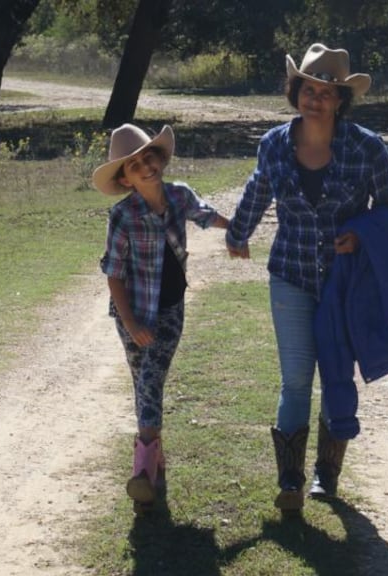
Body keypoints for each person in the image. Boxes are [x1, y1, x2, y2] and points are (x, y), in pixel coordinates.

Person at [225, 43, 388, 515]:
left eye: (327, 92)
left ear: (341, 100)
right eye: (309, 89)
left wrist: (361, 237)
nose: (316, 99)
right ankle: (290, 482)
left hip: (346, 282)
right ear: (296, 91)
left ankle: (327, 476)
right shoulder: (274, 144)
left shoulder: (368, 147)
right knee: (295, 380)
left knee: (337, 375)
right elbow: (258, 188)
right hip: (291, 275)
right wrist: (238, 232)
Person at [95, 123, 229, 514]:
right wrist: (132, 323)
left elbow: (206, 215)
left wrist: (235, 230)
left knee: (151, 379)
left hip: (170, 310)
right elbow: (113, 273)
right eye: (135, 165)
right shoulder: (122, 215)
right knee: (143, 383)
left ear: (160, 158)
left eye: (149, 157)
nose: (146, 167)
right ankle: (155, 466)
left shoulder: (178, 195)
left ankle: (142, 475)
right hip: (132, 315)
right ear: (125, 178)